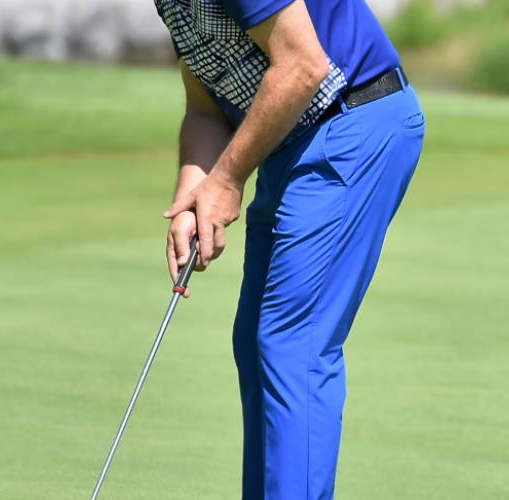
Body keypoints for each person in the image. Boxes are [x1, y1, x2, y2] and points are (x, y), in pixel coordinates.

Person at [157, 0, 425, 498]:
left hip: (354, 121)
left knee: (292, 343)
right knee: (254, 342)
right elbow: (205, 105)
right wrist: (193, 194)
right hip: (290, 141)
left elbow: (303, 66)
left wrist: (228, 179)